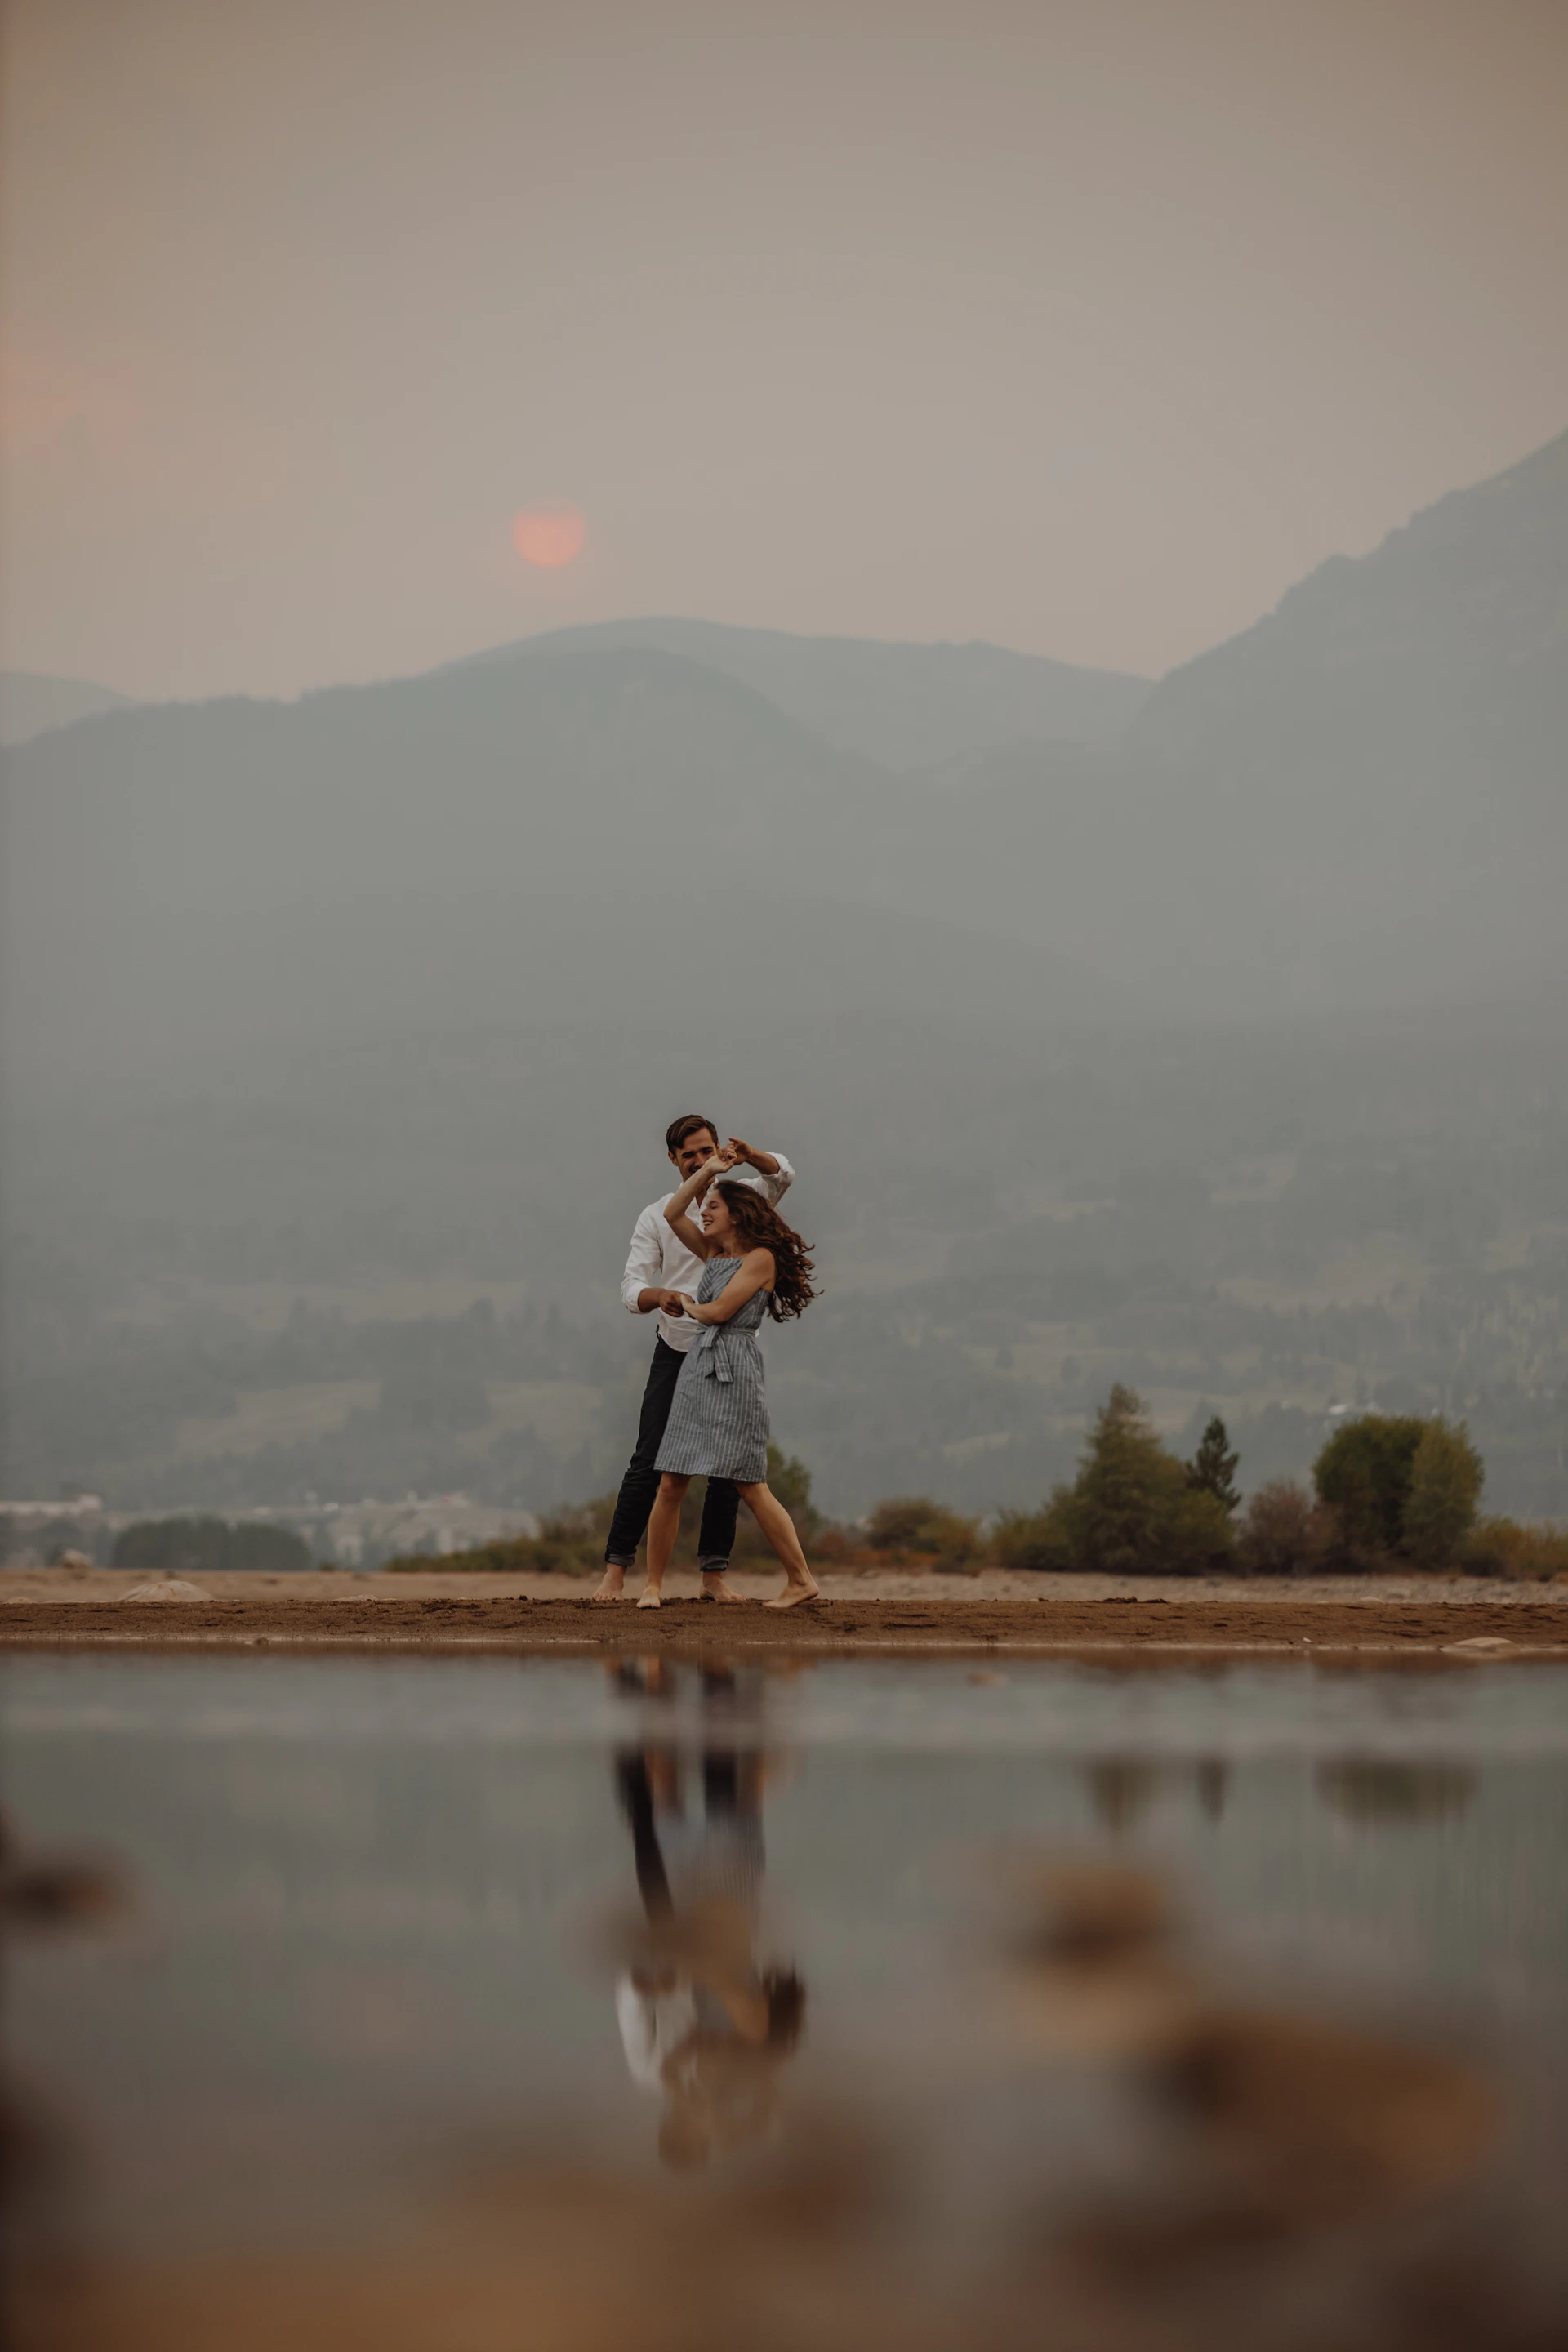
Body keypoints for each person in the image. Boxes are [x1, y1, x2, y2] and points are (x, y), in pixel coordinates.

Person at [595, 1116, 795, 1603]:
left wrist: (748, 1156)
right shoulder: (662, 1215)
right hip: (676, 1347)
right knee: (650, 1464)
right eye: (690, 1154)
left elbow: (782, 1175)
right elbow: (630, 1288)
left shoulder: (740, 1202)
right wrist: (659, 1295)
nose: (701, 1159)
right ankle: (616, 1572)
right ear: (674, 1159)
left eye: (707, 1150)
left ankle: (714, 1576)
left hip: (725, 1349)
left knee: (725, 1471)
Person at [637, 1150, 822, 1611]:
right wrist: (708, 1172)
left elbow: (720, 1312)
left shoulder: (759, 1259)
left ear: (736, 1215)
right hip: (700, 1364)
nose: (705, 1213)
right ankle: (652, 1586)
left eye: (714, 1207)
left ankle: (801, 1580)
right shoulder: (715, 1252)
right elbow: (673, 1211)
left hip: (735, 1366)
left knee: (749, 1483)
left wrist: (684, 1303)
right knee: (670, 1480)